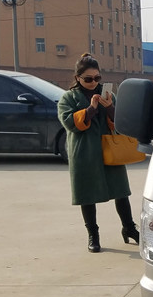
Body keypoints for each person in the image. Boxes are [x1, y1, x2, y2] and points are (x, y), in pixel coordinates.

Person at [57, 54, 139, 252]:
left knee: (121, 191)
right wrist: (91, 109)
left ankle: (129, 228)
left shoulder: (107, 95)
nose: (93, 82)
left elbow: (120, 122)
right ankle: (93, 234)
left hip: (110, 150)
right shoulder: (69, 98)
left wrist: (109, 107)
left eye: (97, 78)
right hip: (84, 152)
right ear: (77, 78)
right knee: (86, 194)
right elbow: (69, 122)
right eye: (88, 79)